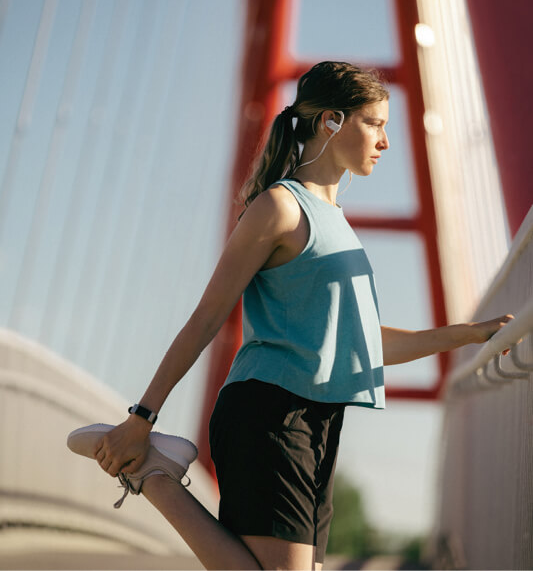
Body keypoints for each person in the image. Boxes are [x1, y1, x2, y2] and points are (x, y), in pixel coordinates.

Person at [67, 61, 514, 570]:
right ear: (331, 121)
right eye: (375, 123)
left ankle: (155, 473)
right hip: (270, 412)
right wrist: (141, 418)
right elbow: (207, 318)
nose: (386, 141)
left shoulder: (336, 221)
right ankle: (152, 474)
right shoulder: (279, 207)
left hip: (320, 420)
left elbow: (360, 342)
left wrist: (470, 335)